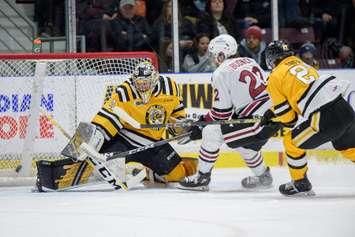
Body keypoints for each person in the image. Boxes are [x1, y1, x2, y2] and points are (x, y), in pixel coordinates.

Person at [36, 61, 198, 191]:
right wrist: (89, 142)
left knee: (178, 175)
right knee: (90, 166)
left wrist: (182, 127)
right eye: (139, 83)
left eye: (146, 83)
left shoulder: (171, 89)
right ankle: (48, 176)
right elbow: (107, 116)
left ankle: (150, 173)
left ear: (154, 80)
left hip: (152, 144)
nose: (142, 87)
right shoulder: (124, 91)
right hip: (123, 139)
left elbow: (176, 119)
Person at [178, 34, 282, 191]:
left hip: (255, 121)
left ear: (221, 54)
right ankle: (263, 176)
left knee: (212, 131)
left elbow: (221, 115)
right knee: (243, 142)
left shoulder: (221, 72)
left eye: (214, 55)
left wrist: (199, 125)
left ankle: (202, 177)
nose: (213, 59)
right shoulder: (250, 61)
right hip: (273, 118)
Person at [263, 40, 355, 197]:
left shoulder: (274, 76)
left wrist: (274, 118)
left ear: (271, 59)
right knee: (348, 148)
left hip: (324, 117)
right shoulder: (305, 66)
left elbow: (289, 119)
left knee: (291, 142)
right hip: (344, 109)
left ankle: (300, 183)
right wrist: (272, 112)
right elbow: (302, 93)